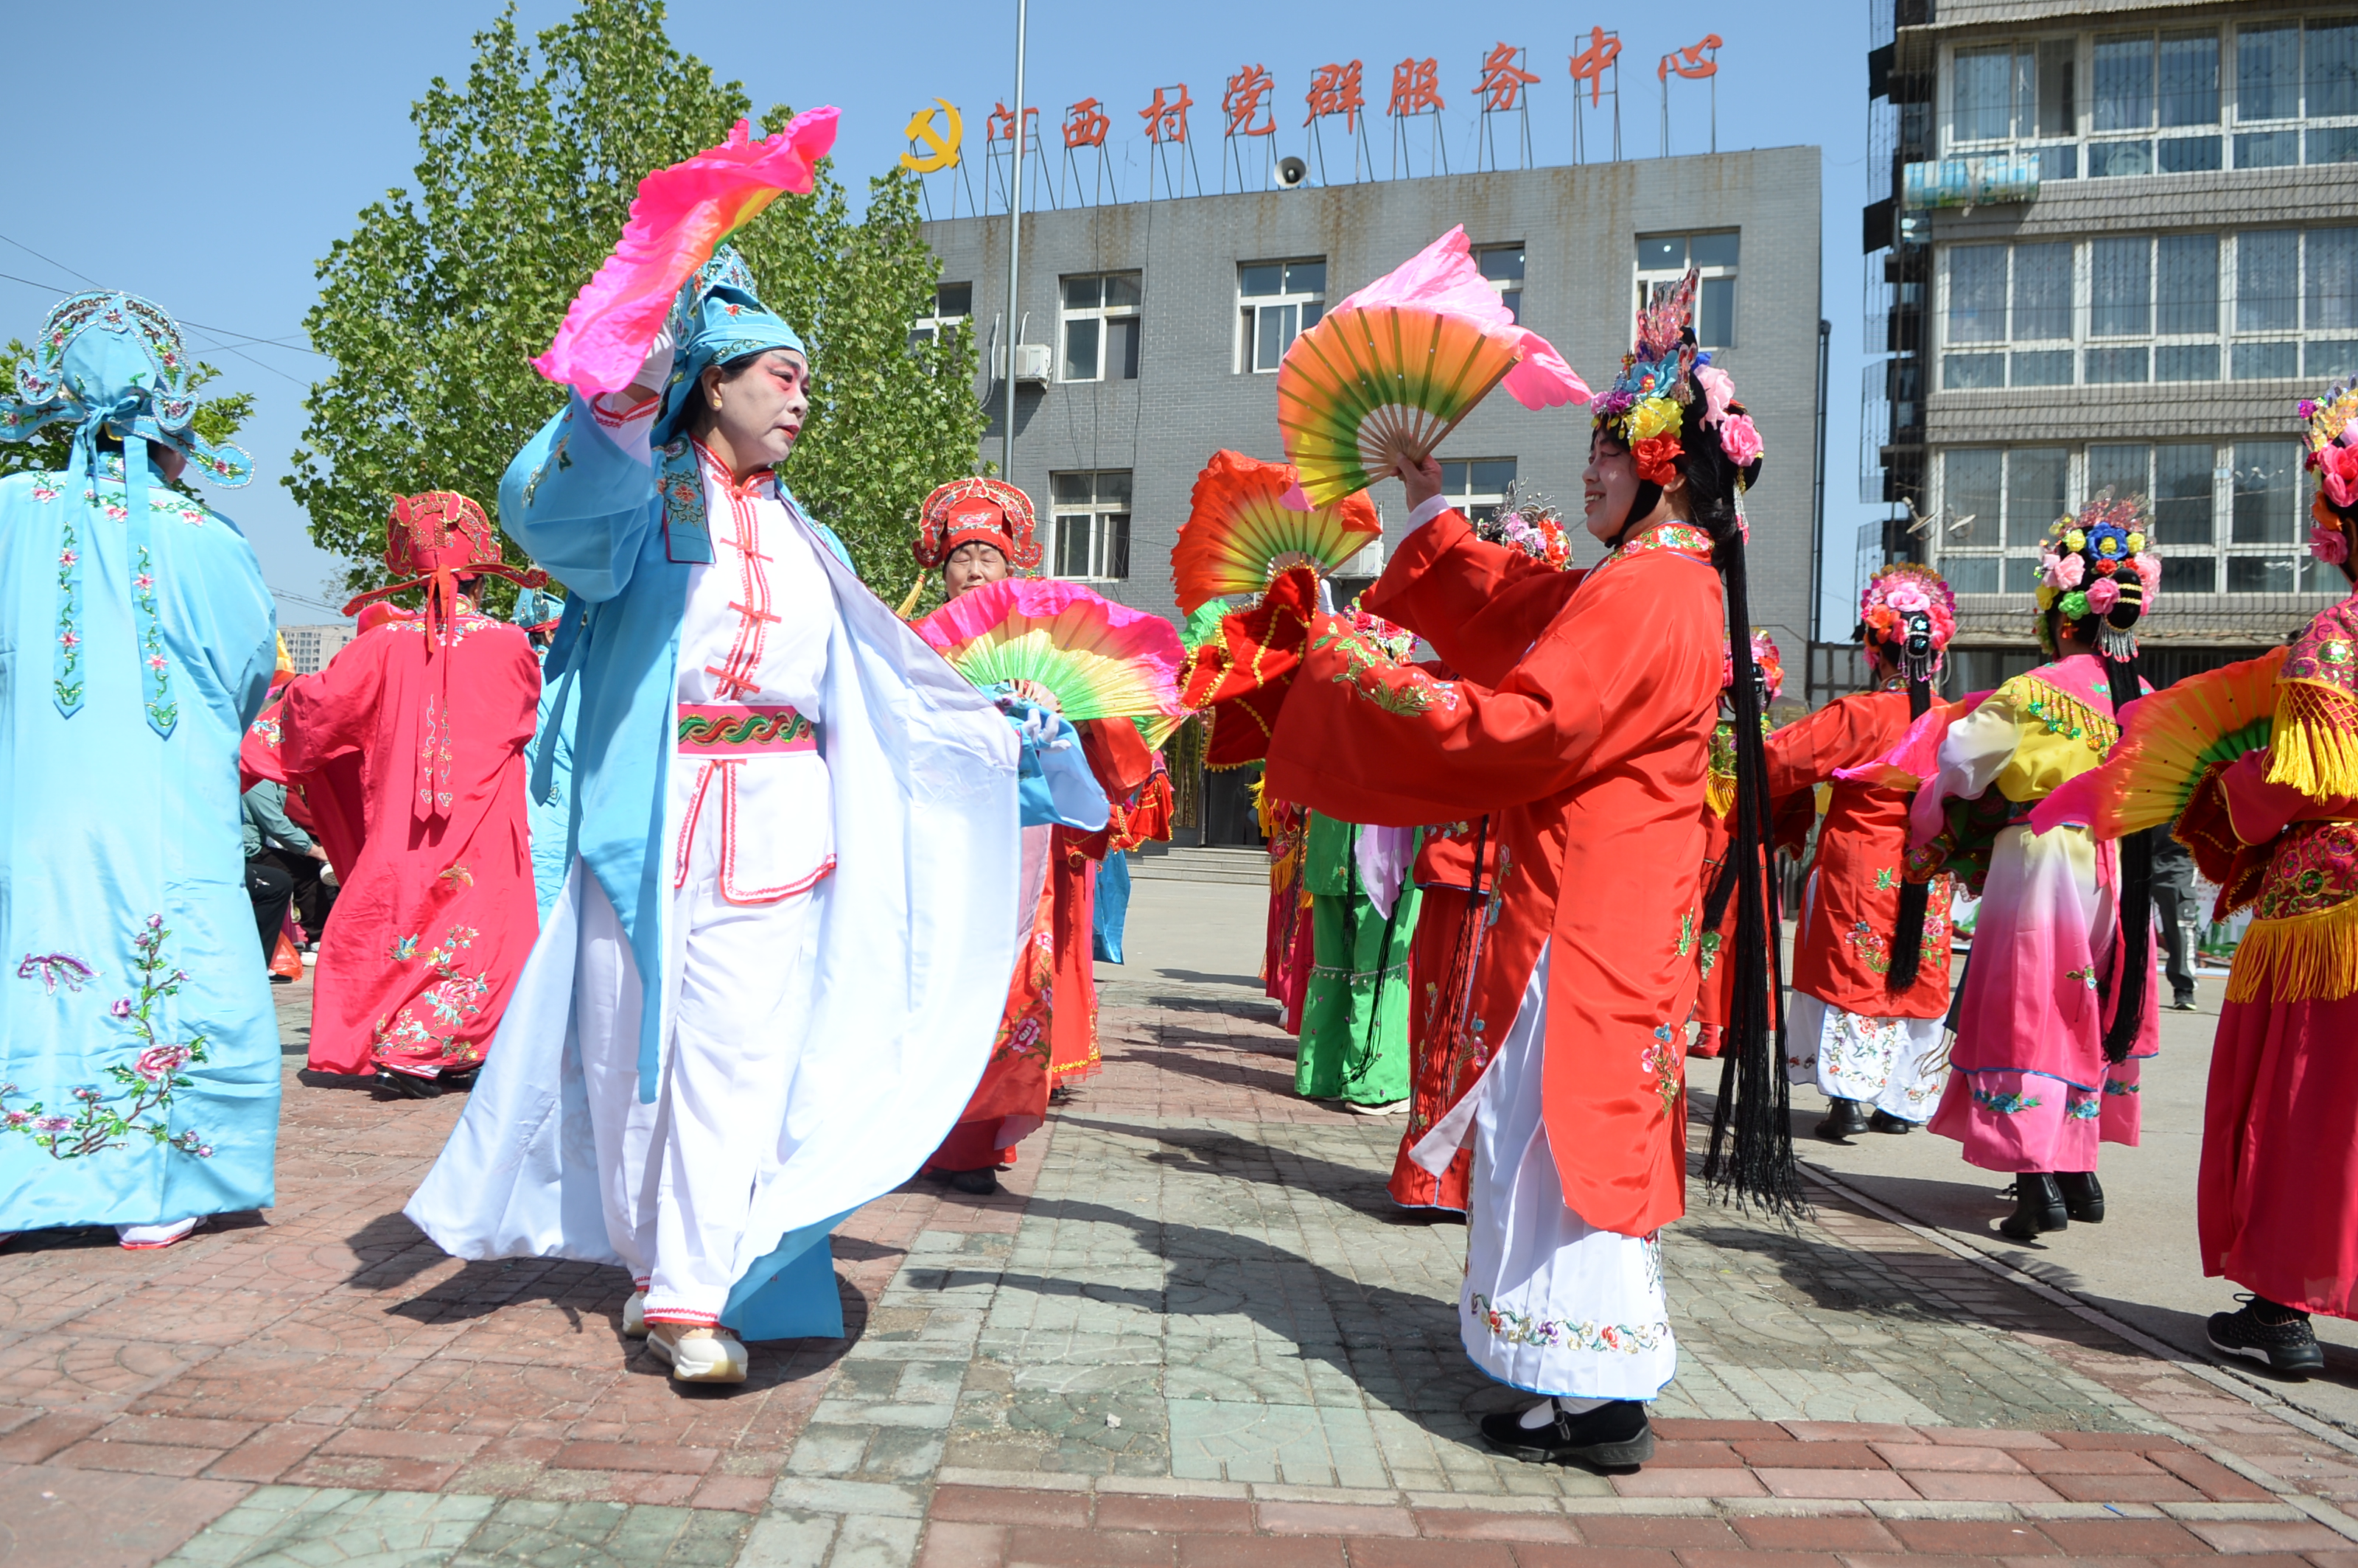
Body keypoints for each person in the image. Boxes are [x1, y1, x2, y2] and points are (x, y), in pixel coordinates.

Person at [1189, 273, 1790, 1468]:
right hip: (1588, 909)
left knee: (1571, 1141)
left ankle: (1602, 1390)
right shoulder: (1657, 579)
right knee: (1541, 1137)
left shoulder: (1658, 586)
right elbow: (1520, 606)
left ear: (1667, 465)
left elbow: (1529, 724)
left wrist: (1345, 672)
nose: (1590, 472)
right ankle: (1549, 1372)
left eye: (1611, 453)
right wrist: (1424, 497)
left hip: (1591, 922)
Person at [406, 248, 1022, 1385]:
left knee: (738, 1056)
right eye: (782, 375)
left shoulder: (810, 536)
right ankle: (654, 1273)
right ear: (715, 384)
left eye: (805, 381)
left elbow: (881, 681)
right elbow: (558, 516)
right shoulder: (641, 499)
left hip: (783, 822)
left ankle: (694, 1292)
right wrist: (626, 386)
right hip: (649, 813)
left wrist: (998, 734)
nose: (801, 398)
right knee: (626, 1049)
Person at [0, 290, 280, 1252]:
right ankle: (165, 1180)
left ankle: (27, 1175)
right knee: (175, 953)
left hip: (32, 794)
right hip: (171, 804)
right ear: (168, 428)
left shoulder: (8, 514)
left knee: (36, 950)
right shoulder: (209, 539)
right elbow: (252, 675)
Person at [1911, 491, 2161, 1242]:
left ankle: (2033, 1183)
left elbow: (1955, 764)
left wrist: (1932, 812)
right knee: (2094, 1003)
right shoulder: (2144, 699)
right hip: (2121, 868)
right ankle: (2078, 1173)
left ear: (2060, 615)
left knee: (2037, 1011)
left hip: (2043, 863)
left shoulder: (2031, 693)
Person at [2186, 381, 2358, 1374]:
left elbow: (2308, 784)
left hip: (2326, 915)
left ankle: (2285, 1307)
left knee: (2308, 1106)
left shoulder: (2330, 644)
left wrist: (2222, 795)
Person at [272, 494, 545, 1094]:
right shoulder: (512, 644)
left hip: (401, 821)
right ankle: (416, 1046)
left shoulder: (379, 645)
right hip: (484, 820)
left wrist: (273, 729)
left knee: (394, 921)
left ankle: (448, 1047)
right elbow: (521, 723)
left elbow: (314, 707)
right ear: (481, 578)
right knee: (488, 928)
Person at [909, 477, 1108, 1195]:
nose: (974, 569)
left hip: (1019, 845)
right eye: (961, 554)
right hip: (935, 840)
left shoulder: (1038, 651)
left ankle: (979, 1135)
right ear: (941, 566)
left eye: (987, 555)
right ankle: (930, 1134)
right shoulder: (911, 648)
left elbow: (1090, 747)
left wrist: (1055, 720)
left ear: (1010, 566)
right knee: (936, 981)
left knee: (1011, 987)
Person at [1770, 564, 1961, 1138]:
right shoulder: (1957, 720)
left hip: (1860, 862)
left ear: (1876, 650)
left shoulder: (1860, 714)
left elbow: (1780, 760)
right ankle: (1900, 1103)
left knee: (1854, 972)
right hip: (1927, 866)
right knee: (1914, 974)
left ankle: (1848, 1099)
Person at [2151, 832, 2201, 1011]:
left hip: (2177, 854)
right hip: (2132, 849)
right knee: (2123, 924)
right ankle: (2123, 985)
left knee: (2180, 923)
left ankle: (2184, 988)